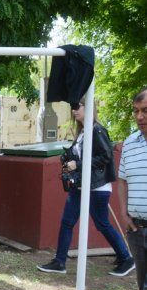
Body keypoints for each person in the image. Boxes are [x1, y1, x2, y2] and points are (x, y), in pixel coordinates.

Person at [37, 102, 133, 277]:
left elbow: (106, 156)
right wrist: (69, 162)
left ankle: (126, 258)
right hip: (81, 185)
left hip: (96, 187)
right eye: (73, 108)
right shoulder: (82, 131)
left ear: (88, 108)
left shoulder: (97, 130)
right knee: (67, 222)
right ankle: (59, 262)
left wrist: (78, 164)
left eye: (78, 107)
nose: (74, 111)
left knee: (102, 224)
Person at [115, 88, 147, 290]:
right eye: (136, 111)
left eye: (145, 111)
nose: (139, 116)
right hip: (137, 228)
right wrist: (123, 213)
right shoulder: (131, 143)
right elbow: (122, 180)